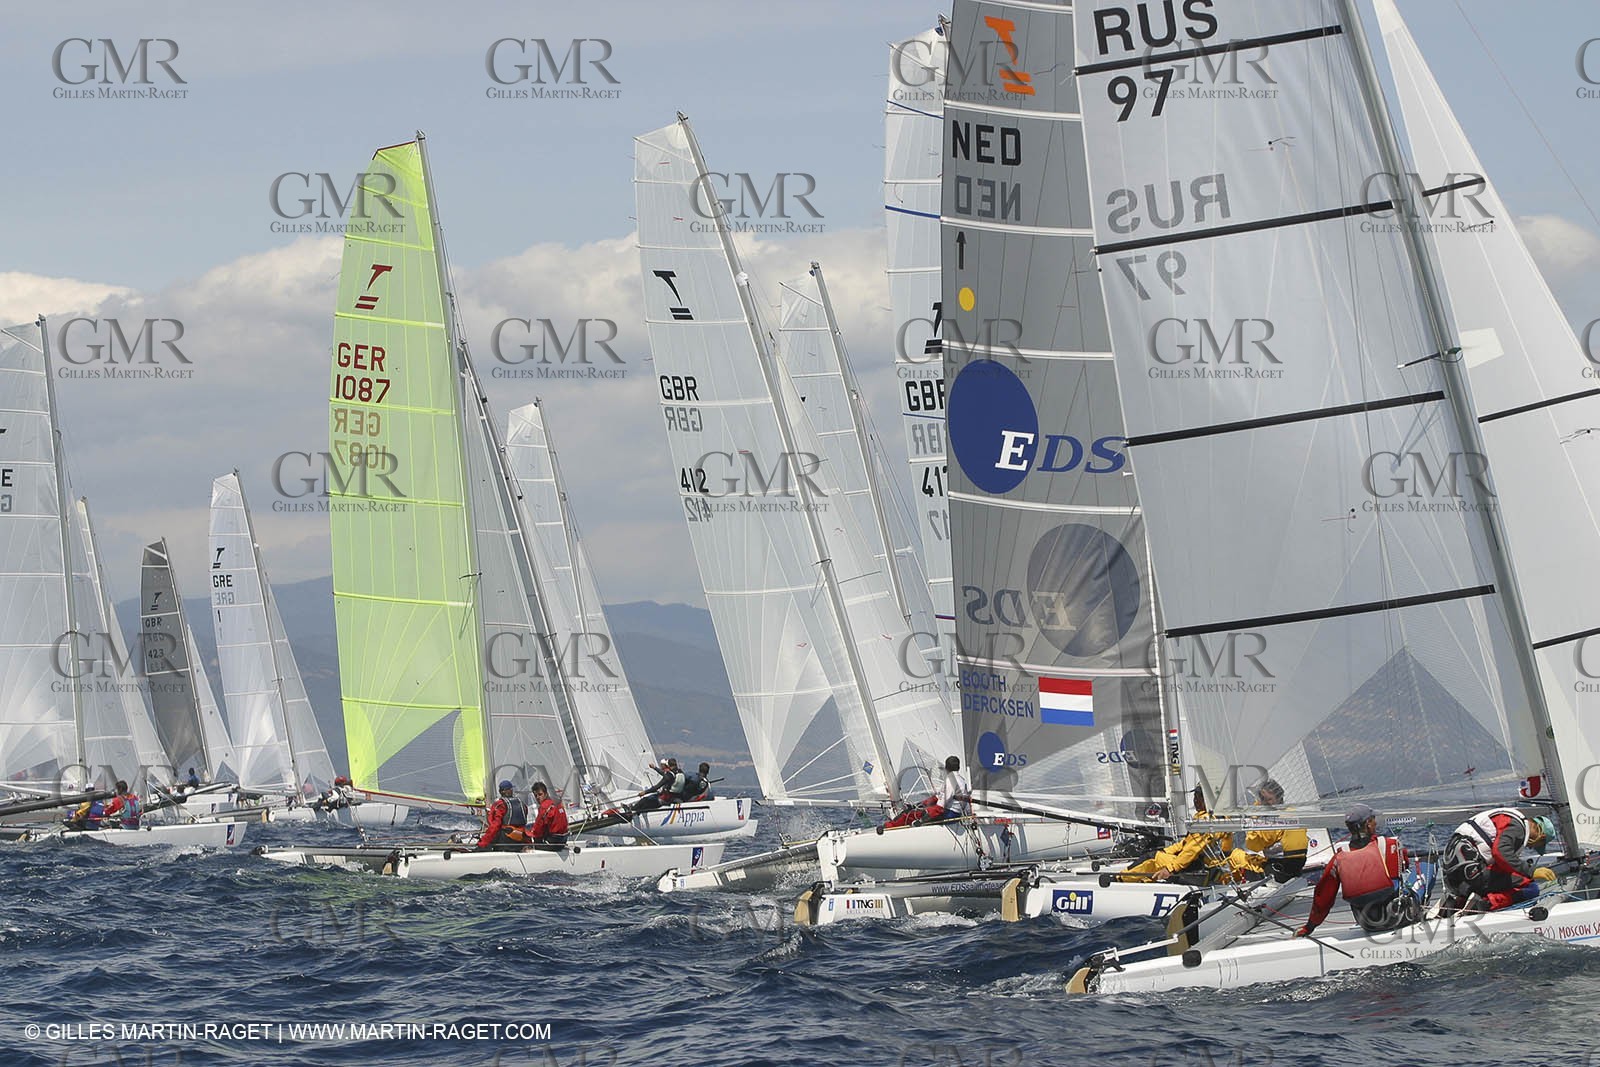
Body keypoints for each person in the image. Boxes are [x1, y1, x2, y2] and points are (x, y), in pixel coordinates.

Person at [1296, 804, 1420, 937]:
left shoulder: (1339, 857)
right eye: (1373, 819)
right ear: (1367, 824)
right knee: (1426, 866)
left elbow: (1323, 897)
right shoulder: (1389, 845)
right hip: (1399, 917)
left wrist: (1309, 927)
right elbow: (1404, 865)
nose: (1375, 822)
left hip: (1368, 924)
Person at [1439, 807, 1557, 914]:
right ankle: (1485, 905)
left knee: (1507, 875)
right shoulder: (1518, 827)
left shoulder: (1506, 818)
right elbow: (1500, 852)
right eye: (1538, 845)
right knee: (1530, 887)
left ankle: (1456, 904)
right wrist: (1531, 872)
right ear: (1540, 836)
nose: (1531, 847)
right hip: (1472, 874)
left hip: (1453, 879)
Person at [1225, 778, 1310, 883]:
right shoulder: (1294, 813)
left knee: (1235, 855)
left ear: (1278, 798)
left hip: (1276, 873)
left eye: (1268, 799)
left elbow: (1252, 845)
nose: (1265, 803)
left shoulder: (1272, 822)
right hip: (1296, 869)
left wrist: (1256, 815)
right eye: (1262, 799)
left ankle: (1235, 886)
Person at [476, 780, 528, 849]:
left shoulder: (500, 805)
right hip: (521, 840)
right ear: (511, 790)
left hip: (505, 841)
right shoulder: (522, 804)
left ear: (501, 792)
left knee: (487, 846)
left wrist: (483, 843)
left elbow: (495, 826)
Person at [527, 781, 569, 846]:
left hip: (554, 841)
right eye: (536, 795)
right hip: (564, 839)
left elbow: (538, 827)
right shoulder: (557, 804)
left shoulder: (544, 807)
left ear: (546, 794)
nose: (538, 797)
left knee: (532, 844)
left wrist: (531, 834)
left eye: (540, 794)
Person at [935, 756, 971, 820]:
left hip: (950, 813)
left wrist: (929, 814)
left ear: (946, 768)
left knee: (922, 813)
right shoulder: (962, 780)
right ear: (958, 768)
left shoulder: (950, 780)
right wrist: (969, 814)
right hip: (958, 812)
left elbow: (943, 801)